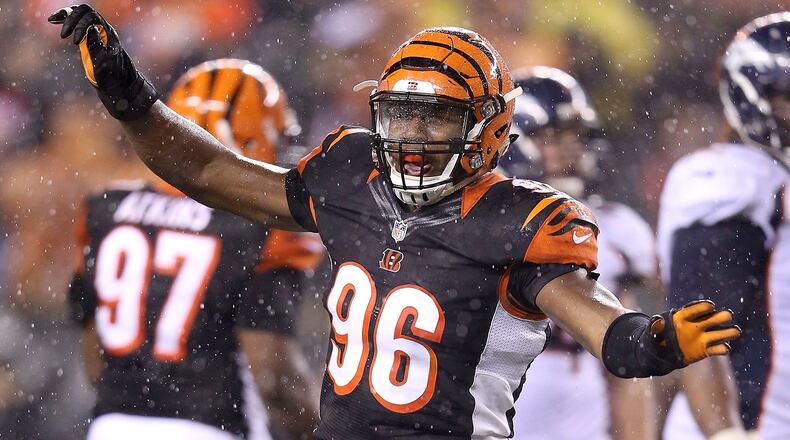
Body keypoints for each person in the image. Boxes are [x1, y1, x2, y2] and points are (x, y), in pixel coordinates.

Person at [50, 5, 740, 439]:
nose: (412, 137)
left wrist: (650, 341)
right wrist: (132, 100)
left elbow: (602, 327)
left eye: (436, 119)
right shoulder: (353, 175)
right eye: (401, 116)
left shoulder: (520, 220)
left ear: (489, 128)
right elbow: (209, 173)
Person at [67, 58, 323, 440]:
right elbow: (274, 380)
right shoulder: (261, 230)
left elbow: (95, 356)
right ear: (251, 141)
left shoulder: (106, 209)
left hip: (111, 425)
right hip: (214, 426)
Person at [500, 67, 659, 440]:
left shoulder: (612, 227)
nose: (571, 151)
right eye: (553, 137)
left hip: (582, 418)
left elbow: (626, 366)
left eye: (577, 137)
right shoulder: (481, 221)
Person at [657, 12, 790, 440]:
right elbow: (699, 326)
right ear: (752, 93)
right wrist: (725, 432)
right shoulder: (734, 178)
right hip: (750, 425)